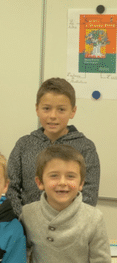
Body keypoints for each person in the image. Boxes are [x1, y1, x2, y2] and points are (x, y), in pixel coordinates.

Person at [7, 77, 100, 216]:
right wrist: (23, 218)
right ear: (37, 109)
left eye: (61, 109)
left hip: (70, 229)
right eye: (46, 108)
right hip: (27, 227)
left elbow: (89, 194)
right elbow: (11, 188)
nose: (53, 116)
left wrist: (65, 221)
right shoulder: (24, 145)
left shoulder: (86, 147)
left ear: (73, 111)